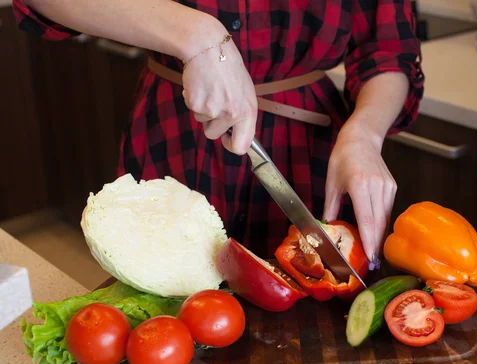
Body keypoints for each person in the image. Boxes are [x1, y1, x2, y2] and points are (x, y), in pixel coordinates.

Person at [12, 0, 424, 265]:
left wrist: (365, 134)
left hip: (310, 153)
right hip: (175, 131)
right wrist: (195, 35)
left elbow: (387, 49)